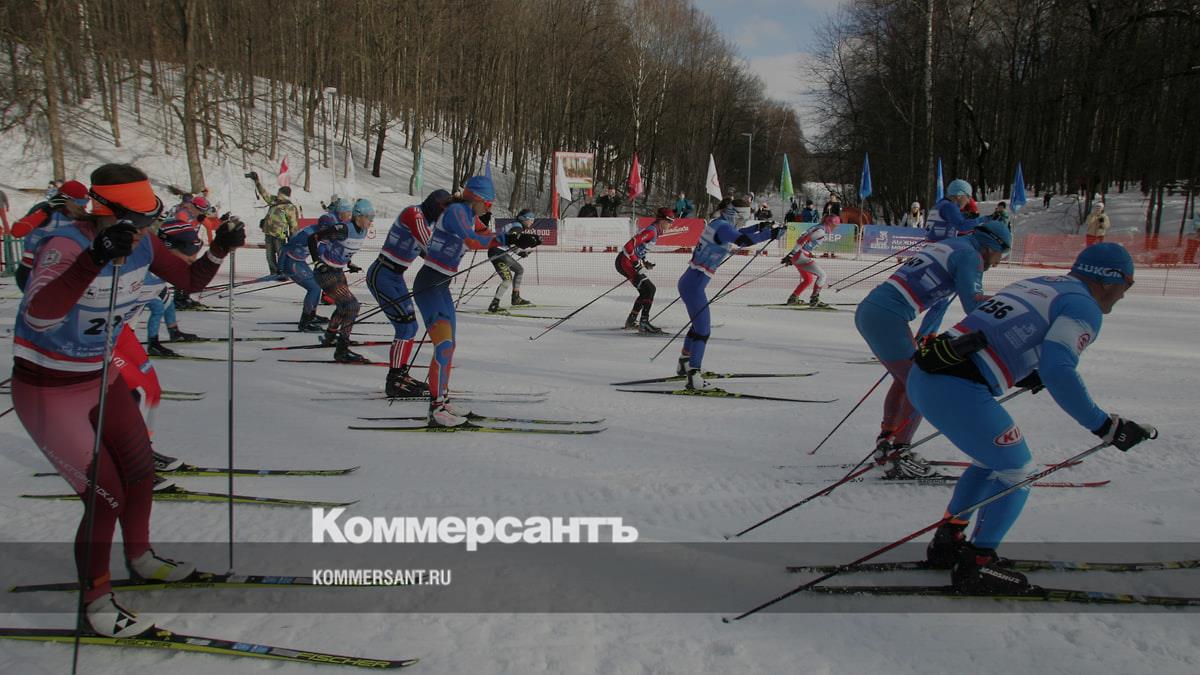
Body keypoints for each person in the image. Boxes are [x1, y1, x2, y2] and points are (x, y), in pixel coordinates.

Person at [11, 163, 244, 637]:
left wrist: (219, 249)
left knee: (139, 472)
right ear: (102, 211)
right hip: (48, 389)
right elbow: (38, 316)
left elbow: (191, 281)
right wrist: (92, 259)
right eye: (135, 221)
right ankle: (95, 603)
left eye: (149, 219)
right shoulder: (64, 245)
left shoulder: (143, 244)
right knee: (106, 496)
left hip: (100, 379)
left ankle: (140, 558)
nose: (143, 230)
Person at [908, 243, 1152, 594]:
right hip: (955, 387)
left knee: (991, 460)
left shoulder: (1040, 283)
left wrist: (1025, 369)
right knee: (1017, 469)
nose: (1125, 294)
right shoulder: (1083, 306)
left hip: (928, 375)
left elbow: (1004, 333)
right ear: (1108, 279)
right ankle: (977, 565)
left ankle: (949, 540)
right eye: (1128, 284)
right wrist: (1105, 426)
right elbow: (1058, 369)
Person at [854, 218, 1011, 480]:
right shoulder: (970, 256)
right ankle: (899, 454)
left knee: (906, 381)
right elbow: (973, 305)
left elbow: (939, 302)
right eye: (1000, 255)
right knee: (922, 384)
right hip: (887, 317)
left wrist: (926, 334)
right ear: (990, 247)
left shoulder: (954, 245)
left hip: (874, 311)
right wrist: (1011, 306)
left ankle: (887, 442)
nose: (997, 262)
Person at [412, 175, 540, 426]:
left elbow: (488, 236)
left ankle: (442, 400)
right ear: (477, 199)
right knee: (443, 345)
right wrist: (510, 239)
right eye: (488, 203)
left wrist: (519, 238)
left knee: (449, 346)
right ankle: (436, 410)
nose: (489, 208)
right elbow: (471, 240)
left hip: (441, 286)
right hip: (429, 284)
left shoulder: (469, 215)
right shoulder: (457, 211)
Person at [676, 198, 783, 389]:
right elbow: (742, 240)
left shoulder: (719, 223)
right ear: (735, 214)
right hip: (694, 286)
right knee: (703, 331)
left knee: (697, 326)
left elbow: (737, 233)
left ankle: (685, 363)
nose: (742, 222)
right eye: (742, 218)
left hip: (689, 282)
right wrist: (770, 234)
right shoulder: (724, 227)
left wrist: (758, 227)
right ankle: (693, 375)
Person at [367, 189, 451, 397]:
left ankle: (401, 374)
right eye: (443, 210)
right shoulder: (414, 214)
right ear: (435, 206)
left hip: (395, 276)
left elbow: (428, 252)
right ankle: (394, 380)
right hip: (382, 275)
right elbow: (430, 246)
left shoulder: (429, 221)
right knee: (404, 326)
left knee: (411, 327)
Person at [310, 198, 372, 362]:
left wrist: (349, 263)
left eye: (372, 217)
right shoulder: (343, 229)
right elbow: (313, 238)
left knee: (343, 306)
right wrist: (317, 262)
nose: (371, 220)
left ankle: (330, 337)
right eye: (369, 216)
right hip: (325, 272)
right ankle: (342, 350)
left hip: (337, 270)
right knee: (352, 306)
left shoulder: (362, 231)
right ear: (358, 216)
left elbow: (343, 248)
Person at [13, 180, 91, 290]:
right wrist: (46, 211)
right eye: (79, 203)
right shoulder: (46, 211)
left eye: (85, 202)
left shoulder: (82, 218)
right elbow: (17, 231)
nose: (83, 208)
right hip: (32, 272)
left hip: (63, 271)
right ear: (64, 199)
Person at [141, 225, 203, 356]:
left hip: (153, 284)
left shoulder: (161, 248)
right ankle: (153, 343)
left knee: (169, 304)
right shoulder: (153, 248)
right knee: (158, 308)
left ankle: (174, 332)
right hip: (141, 286)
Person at [616, 207, 672, 333]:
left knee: (645, 291)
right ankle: (644, 323)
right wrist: (636, 263)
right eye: (669, 221)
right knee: (650, 289)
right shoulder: (652, 231)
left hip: (628, 261)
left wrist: (644, 262)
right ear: (662, 220)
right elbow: (629, 246)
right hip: (625, 261)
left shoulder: (656, 231)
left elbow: (639, 249)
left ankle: (632, 321)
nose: (671, 224)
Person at [162, 194, 210, 310]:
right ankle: (179, 298)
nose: (202, 213)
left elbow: (210, 226)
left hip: (178, 242)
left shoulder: (191, 213)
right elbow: (180, 231)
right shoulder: (183, 213)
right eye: (201, 211)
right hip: (171, 242)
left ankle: (182, 296)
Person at [249, 171, 301, 277]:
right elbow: (264, 193)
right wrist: (256, 181)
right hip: (268, 233)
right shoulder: (274, 201)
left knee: (281, 255)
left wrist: (293, 239)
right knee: (269, 255)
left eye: (279, 193)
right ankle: (273, 272)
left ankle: (283, 272)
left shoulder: (290, 207)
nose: (277, 194)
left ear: (283, 195)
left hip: (279, 236)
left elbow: (293, 225)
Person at [782, 215, 839, 307]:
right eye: (834, 226)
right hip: (801, 256)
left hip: (799, 255)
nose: (834, 228)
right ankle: (814, 300)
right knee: (822, 275)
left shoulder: (818, 227)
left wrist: (792, 255)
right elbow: (803, 240)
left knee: (808, 280)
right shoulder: (821, 231)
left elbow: (803, 240)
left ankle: (793, 298)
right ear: (830, 223)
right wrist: (791, 254)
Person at [487, 208, 535, 312]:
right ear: (523, 219)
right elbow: (513, 241)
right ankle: (494, 304)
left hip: (500, 252)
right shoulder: (517, 227)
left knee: (519, 270)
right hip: (497, 252)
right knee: (507, 279)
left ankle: (515, 297)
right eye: (530, 219)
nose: (532, 222)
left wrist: (521, 252)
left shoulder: (516, 225)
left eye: (533, 220)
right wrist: (520, 252)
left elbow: (511, 241)